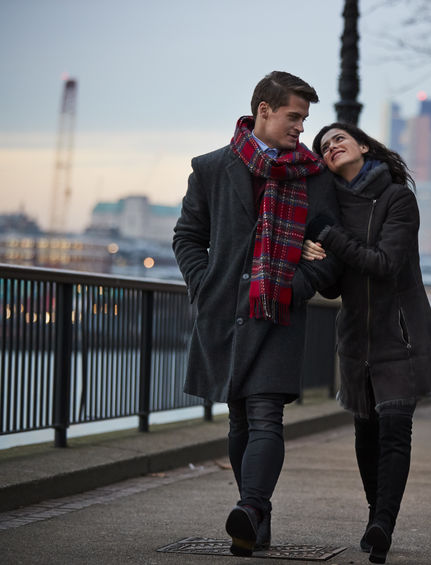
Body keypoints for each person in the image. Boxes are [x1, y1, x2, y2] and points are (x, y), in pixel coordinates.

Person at [172, 71, 343, 557]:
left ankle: (248, 508)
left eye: (304, 120)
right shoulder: (210, 168)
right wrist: (205, 285)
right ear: (263, 110)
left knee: (267, 416)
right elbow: (187, 237)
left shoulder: (314, 178)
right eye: (294, 117)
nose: (301, 129)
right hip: (225, 313)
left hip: (278, 314)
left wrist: (297, 285)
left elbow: (329, 252)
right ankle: (256, 518)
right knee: (240, 421)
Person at [302, 122, 431, 564]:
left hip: (399, 333)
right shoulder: (330, 206)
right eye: (324, 146)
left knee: (394, 432)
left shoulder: (397, 199)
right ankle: (375, 516)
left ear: (363, 146)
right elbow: (333, 287)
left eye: (339, 139)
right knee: (365, 435)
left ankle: (384, 523)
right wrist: (315, 255)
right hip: (355, 337)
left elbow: (385, 264)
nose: (331, 147)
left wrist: (328, 237)